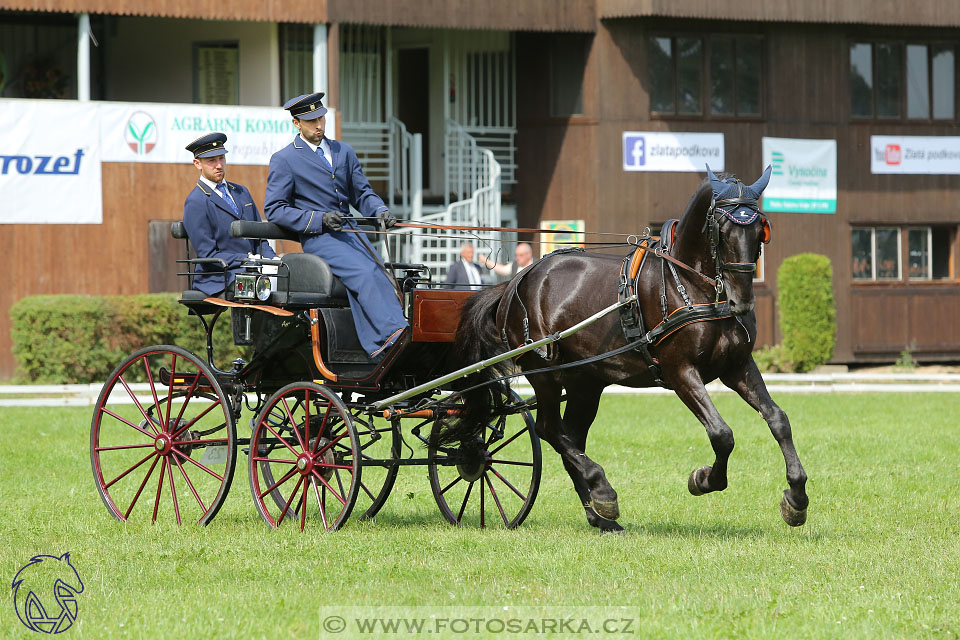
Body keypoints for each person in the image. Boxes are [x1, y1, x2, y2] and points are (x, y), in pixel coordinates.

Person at [264, 92, 407, 359]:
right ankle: (392, 335)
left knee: (384, 275)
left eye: (321, 118)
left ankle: (383, 341)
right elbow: (274, 209)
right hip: (320, 238)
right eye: (310, 121)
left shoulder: (344, 151)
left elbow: (362, 193)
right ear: (296, 123)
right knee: (364, 273)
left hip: (353, 235)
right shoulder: (285, 159)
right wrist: (318, 219)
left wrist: (379, 210)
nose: (318, 125)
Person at [181, 132, 277, 296]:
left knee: (289, 279)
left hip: (252, 268)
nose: (219, 165)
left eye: (221, 158)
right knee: (263, 287)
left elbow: (260, 237)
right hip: (219, 276)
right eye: (211, 161)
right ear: (197, 164)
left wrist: (273, 260)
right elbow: (208, 254)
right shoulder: (196, 201)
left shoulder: (241, 192)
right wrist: (248, 259)